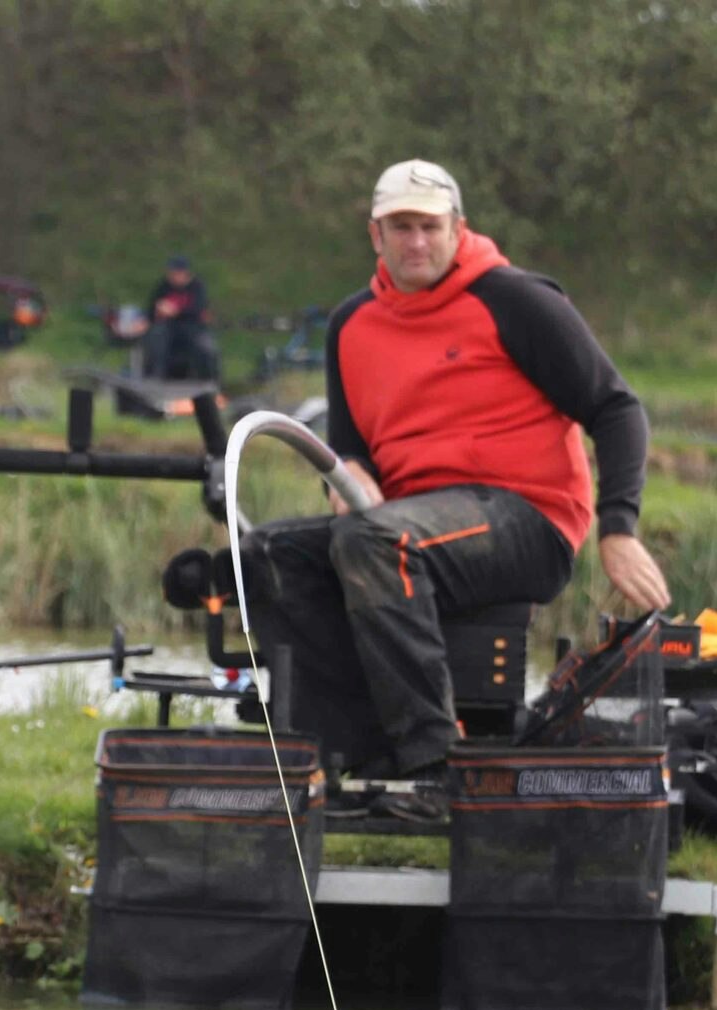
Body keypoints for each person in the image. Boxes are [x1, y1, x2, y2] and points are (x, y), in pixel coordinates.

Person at [238, 159, 667, 815]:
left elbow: (617, 408)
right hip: (406, 521)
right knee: (268, 553)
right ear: (374, 234)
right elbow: (351, 447)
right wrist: (351, 477)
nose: (416, 242)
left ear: (457, 229)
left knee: (377, 542)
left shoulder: (515, 300)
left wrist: (619, 528)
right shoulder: (351, 325)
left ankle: (438, 768)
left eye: (429, 227)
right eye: (401, 227)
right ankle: (345, 757)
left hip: (529, 518)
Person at [141, 254, 215, 381]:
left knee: (205, 347)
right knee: (156, 338)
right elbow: (153, 307)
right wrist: (149, 318)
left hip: (191, 326)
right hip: (168, 326)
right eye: (171, 273)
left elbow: (198, 310)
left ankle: (208, 380)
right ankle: (155, 376)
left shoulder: (197, 287)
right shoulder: (163, 286)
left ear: (184, 273)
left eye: (175, 273)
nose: (172, 276)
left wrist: (176, 311)